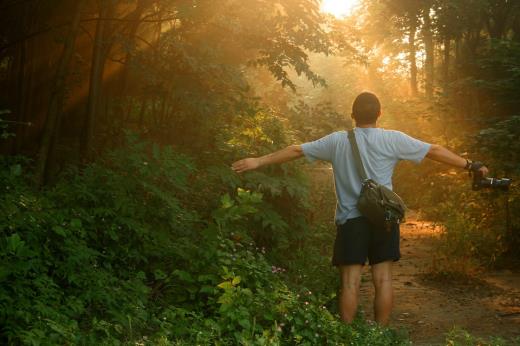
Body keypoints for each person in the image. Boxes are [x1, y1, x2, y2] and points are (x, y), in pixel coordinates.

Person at [231, 92, 488, 326]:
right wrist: (470, 165)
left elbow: (296, 150)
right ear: (379, 114)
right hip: (383, 219)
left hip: (351, 221)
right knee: (384, 280)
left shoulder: (337, 141)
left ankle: (346, 337)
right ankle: (379, 336)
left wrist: (258, 161)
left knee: (350, 283)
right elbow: (434, 150)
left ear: (352, 116)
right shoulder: (393, 139)